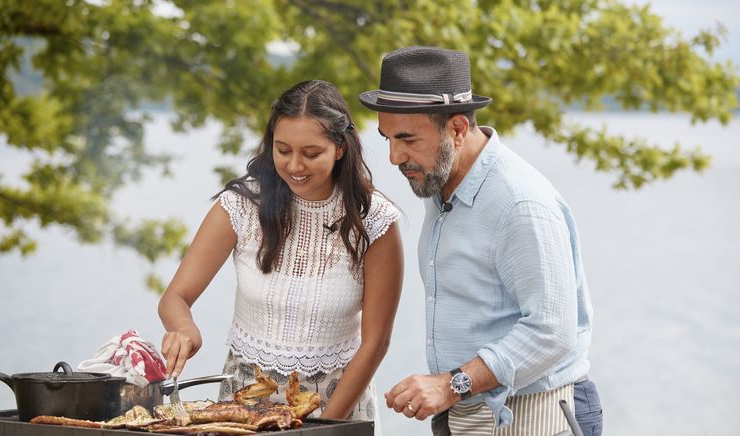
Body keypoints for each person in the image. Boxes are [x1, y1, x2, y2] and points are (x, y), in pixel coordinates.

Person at [359, 46, 603, 435]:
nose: (393, 156)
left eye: (407, 139)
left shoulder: (519, 202)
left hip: (537, 420)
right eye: (387, 138)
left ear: (457, 129)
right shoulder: (441, 181)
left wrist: (451, 384)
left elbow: (553, 331)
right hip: (469, 420)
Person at [158, 79, 403, 428]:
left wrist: (320, 428)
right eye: (283, 149)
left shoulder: (375, 221)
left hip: (335, 405)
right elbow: (175, 297)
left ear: (340, 148)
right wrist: (184, 329)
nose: (295, 166)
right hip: (243, 402)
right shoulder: (241, 206)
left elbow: (376, 343)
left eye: (311, 153)